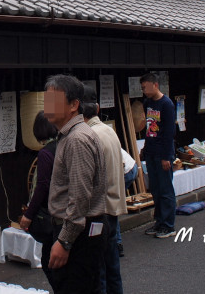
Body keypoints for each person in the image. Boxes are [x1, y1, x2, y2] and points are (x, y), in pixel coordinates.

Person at [45, 74, 106, 294]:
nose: (47, 105)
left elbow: (80, 197)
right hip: (82, 229)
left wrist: (65, 241)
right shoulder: (70, 135)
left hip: (79, 234)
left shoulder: (76, 139)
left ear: (74, 105)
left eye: (54, 99)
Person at [82, 85, 126, 294]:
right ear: (97, 109)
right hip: (113, 206)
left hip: (97, 211)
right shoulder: (109, 131)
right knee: (112, 267)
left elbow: (86, 180)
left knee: (97, 271)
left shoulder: (88, 136)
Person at [19, 111, 58, 291]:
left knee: (49, 260)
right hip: (64, 209)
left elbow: (41, 186)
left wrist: (29, 214)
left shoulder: (45, 153)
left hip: (51, 211)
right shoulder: (64, 144)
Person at [139, 72, 177, 238]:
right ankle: (159, 221)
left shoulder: (166, 104)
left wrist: (167, 157)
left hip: (163, 153)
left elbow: (169, 132)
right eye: (142, 88)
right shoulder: (147, 103)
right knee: (155, 189)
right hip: (151, 152)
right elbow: (148, 129)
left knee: (165, 189)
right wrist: (145, 150)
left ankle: (169, 225)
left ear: (155, 85)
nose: (144, 91)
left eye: (146, 87)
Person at [116, 148, 138, 256]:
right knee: (112, 205)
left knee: (111, 206)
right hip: (130, 166)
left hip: (126, 170)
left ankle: (117, 244)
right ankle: (115, 242)